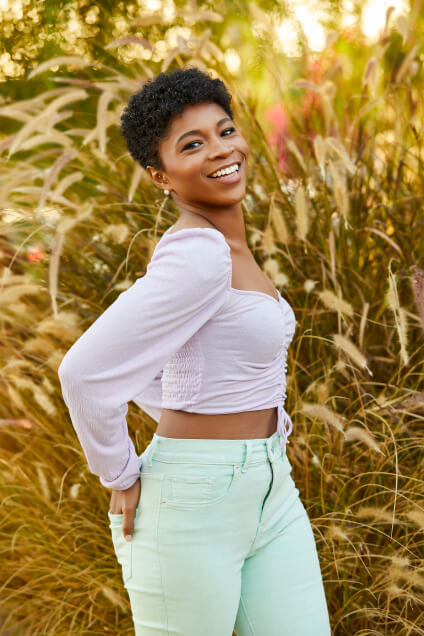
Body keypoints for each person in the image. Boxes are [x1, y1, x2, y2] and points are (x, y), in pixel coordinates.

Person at [58, 66, 331, 636]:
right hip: (191, 504)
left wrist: (187, 413)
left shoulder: (229, 250)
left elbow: (137, 370)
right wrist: (121, 474)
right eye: (192, 144)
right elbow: (84, 373)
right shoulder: (199, 254)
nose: (220, 151)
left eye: (225, 131)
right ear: (160, 176)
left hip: (270, 487)